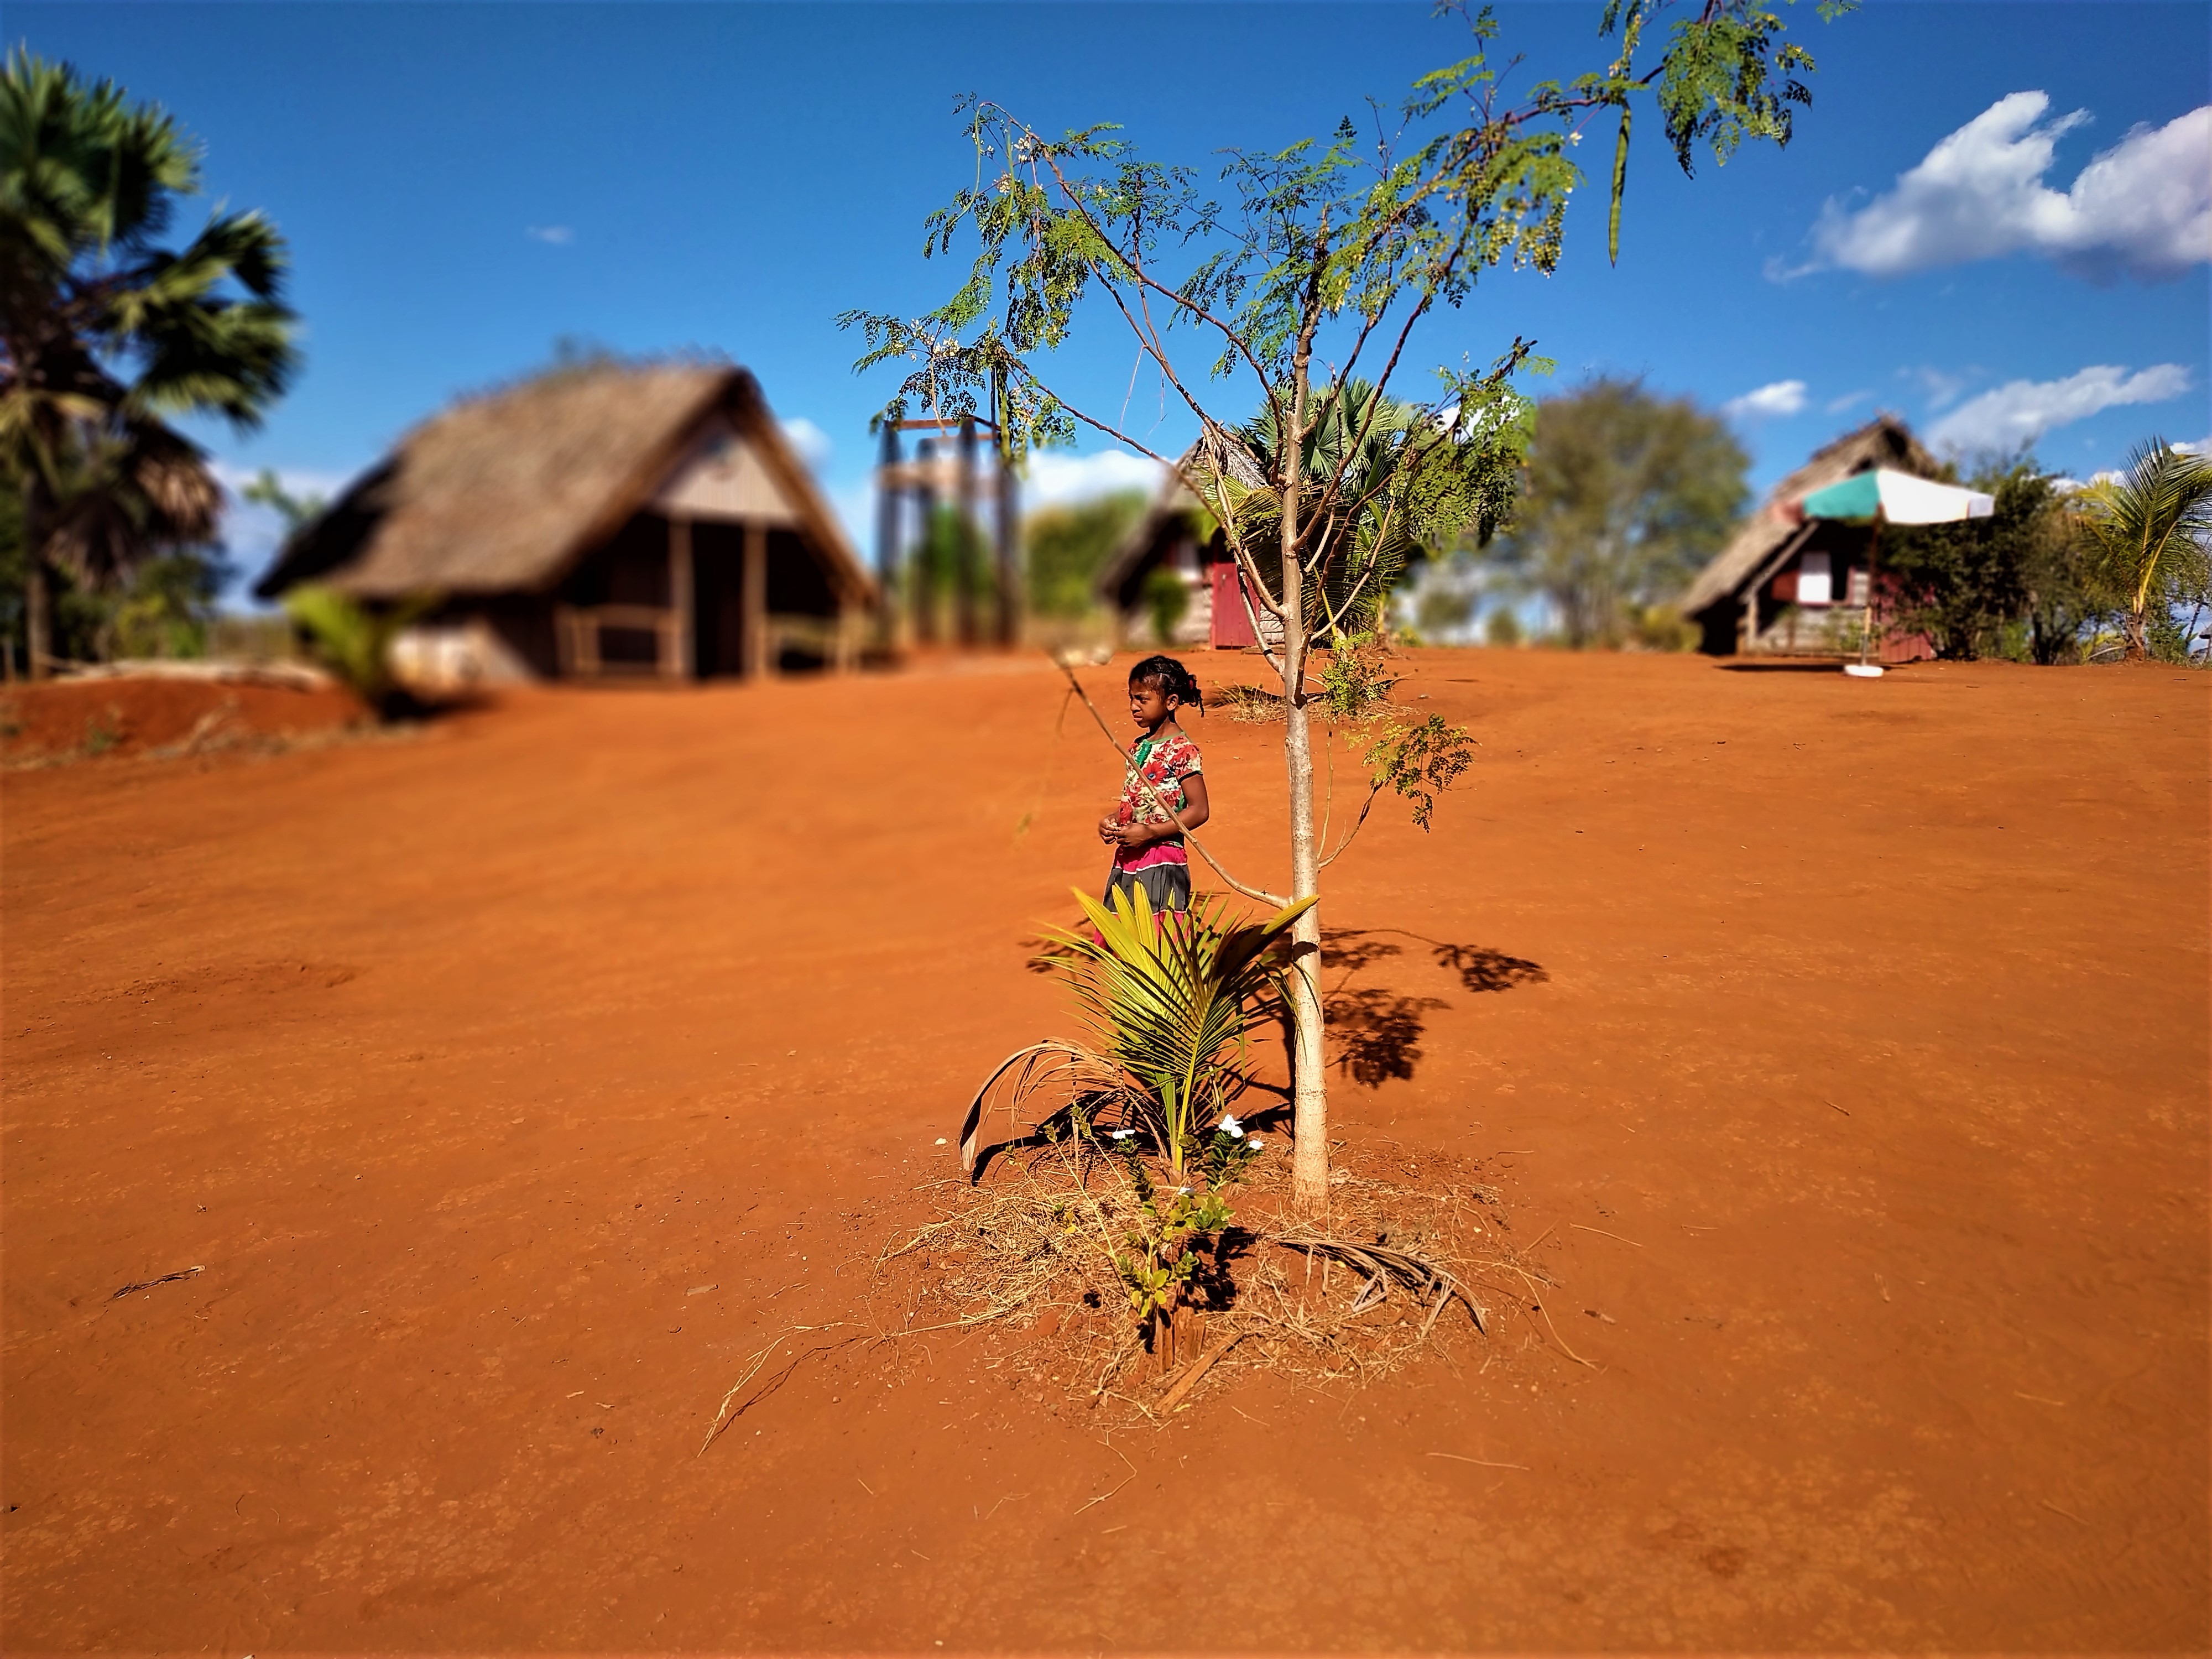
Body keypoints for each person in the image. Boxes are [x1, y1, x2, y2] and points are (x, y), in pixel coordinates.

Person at [1097, 654, 1210, 920]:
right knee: (1125, 935)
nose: (1134, 706)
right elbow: (1138, 800)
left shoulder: (1182, 751)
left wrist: (1150, 833)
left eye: (1143, 699)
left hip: (1163, 858)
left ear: (1171, 702)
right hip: (1128, 857)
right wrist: (1114, 820)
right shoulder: (1137, 747)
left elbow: (1200, 810)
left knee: (1158, 938)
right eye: (1132, 698)